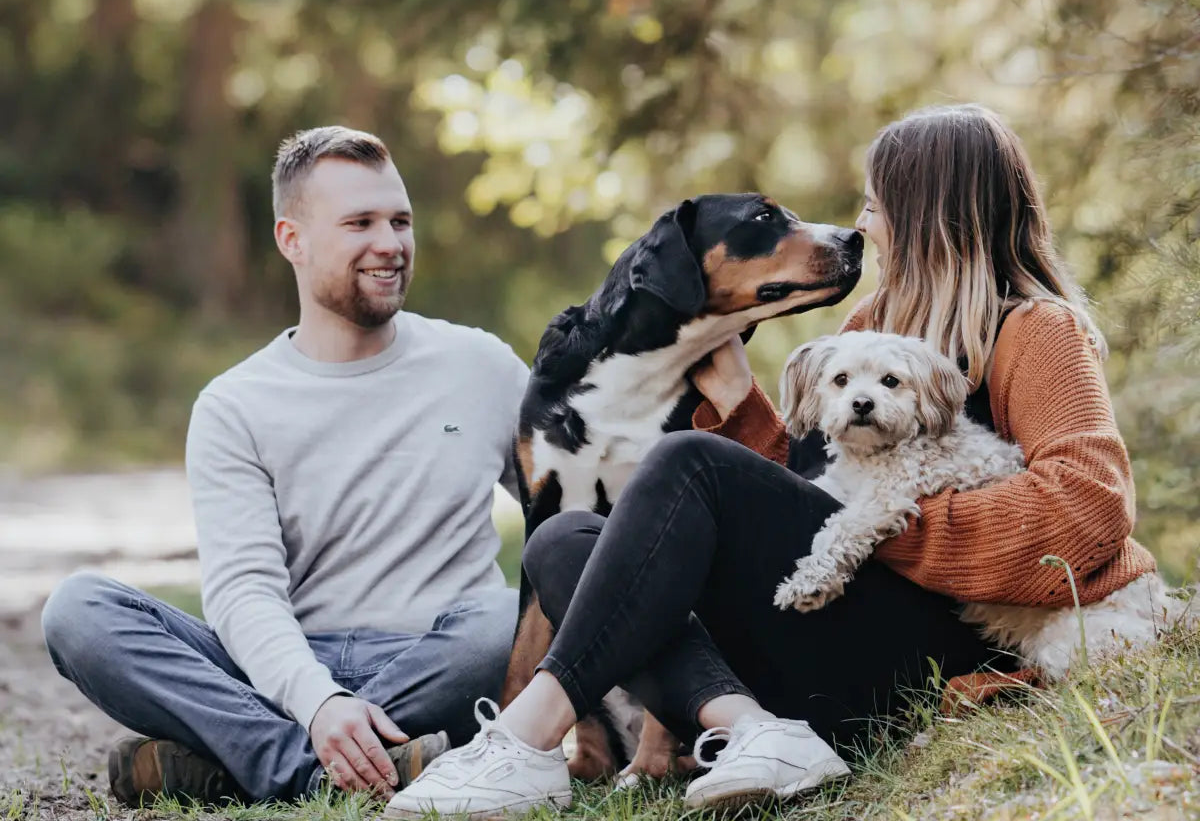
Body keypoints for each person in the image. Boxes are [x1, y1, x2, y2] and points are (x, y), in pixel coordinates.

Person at [382, 103, 1158, 819]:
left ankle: (522, 742)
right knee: (560, 542)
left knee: (686, 459)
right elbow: (806, 498)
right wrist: (747, 411)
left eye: (875, 206)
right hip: (837, 627)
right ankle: (753, 730)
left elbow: (1085, 513)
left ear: (928, 217)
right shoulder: (869, 327)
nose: (864, 227)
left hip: (940, 654)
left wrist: (878, 523)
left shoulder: (1038, 332)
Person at [41, 126, 528, 806]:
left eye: (399, 220)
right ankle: (321, 765)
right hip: (282, 665)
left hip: (438, 657)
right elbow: (244, 594)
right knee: (78, 612)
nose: (389, 243)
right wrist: (317, 699)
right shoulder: (236, 405)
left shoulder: (481, 366)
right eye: (360, 222)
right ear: (291, 240)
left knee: (504, 618)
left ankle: (243, 762)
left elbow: (569, 511)